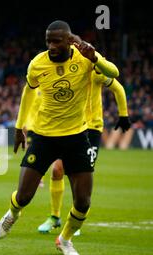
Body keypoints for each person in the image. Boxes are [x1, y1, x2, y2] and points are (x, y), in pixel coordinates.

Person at [0, 20, 120, 255]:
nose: (51, 45)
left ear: (69, 40)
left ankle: (65, 239)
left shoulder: (84, 57)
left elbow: (114, 73)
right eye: (48, 41)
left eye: (56, 41)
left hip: (76, 136)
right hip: (44, 136)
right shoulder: (37, 64)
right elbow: (28, 91)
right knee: (24, 196)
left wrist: (95, 58)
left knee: (83, 201)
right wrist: (19, 127)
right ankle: (13, 214)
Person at [37, 70, 131, 234]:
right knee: (57, 170)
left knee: (79, 177)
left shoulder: (95, 71)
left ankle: (74, 221)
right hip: (70, 127)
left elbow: (118, 88)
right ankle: (55, 217)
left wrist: (123, 115)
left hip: (91, 129)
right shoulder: (67, 72)